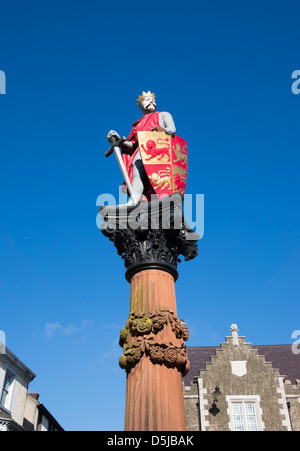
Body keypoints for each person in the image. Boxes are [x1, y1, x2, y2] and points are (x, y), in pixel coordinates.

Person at [107, 91, 176, 205]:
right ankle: (134, 201)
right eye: (148, 100)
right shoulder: (137, 125)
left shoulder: (164, 115)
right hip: (142, 150)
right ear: (141, 105)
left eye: (153, 100)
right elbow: (132, 146)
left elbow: (171, 128)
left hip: (159, 146)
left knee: (158, 176)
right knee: (137, 173)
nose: (151, 101)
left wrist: (168, 130)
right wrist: (119, 141)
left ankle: (161, 199)